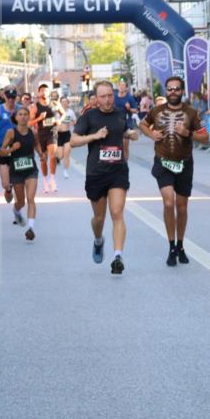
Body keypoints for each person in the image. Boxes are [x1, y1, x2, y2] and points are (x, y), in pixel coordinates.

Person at [138, 75, 209, 266]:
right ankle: (171, 246)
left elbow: (206, 137)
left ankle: (180, 244)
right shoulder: (156, 110)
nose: (173, 92)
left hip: (184, 163)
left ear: (182, 91)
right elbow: (142, 124)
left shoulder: (192, 113)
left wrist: (188, 134)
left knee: (182, 206)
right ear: (165, 91)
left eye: (177, 89)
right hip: (163, 162)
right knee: (169, 203)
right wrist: (151, 133)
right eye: (169, 89)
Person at [71, 80, 139, 275]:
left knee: (117, 213)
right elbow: (73, 140)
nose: (108, 100)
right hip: (96, 173)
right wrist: (94, 136)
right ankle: (98, 240)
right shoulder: (89, 116)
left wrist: (130, 134)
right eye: (103, 96)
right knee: (99, 218)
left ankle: (118, 256)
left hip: (117, 171)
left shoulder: (120, 114)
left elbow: (123, 130)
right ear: (96, 98)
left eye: (110, 95)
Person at [0, 106, 40, 240]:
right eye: (20, 114)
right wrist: (12, 149)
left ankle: (31, 228)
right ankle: (16, 211)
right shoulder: (11, 132)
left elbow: (37, 144)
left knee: (31, 198)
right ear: (16, 118)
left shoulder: (32, 132)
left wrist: (41, 154)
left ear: (29, 117)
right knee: (21, 202)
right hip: (16, 171)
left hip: (30, 169)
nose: (23, 116)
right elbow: (2, 152)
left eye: (25, 114)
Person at [0, 87, 18, 204]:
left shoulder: (20, 109)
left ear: (16, 97)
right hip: (2, 148)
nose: (11, 100)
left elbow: (28, 126)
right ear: (5, 97)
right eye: (9, 97)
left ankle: (18, 205)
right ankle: (8, 189)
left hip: (18, 148)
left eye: (13, 97)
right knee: (5, 184)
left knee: (18, 180)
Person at [29, 83, 58, 193]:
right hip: (41, 135)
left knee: (53, 155)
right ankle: (45, 182)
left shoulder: (54, 103)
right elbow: (30, 123)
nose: (44, 92)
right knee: (43, 159)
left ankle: (53, 180)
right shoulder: (35, 107)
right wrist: (39, 118)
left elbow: (63, 113)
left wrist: (59, 120)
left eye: (46, 90)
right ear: (39, 92)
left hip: (52, 132)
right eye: (42, 91)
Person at [56, 95, 76, 179]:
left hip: (67, 134)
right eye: (62, 102)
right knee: (60, 156)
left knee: (66, 154)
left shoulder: (70, 112)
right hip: (58, 135)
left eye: (65, 102)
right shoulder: (57, 112)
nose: (64, 103)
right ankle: (57, 158)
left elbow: (74, 121)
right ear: (60, 103)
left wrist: (72, 123)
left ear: (68, 103)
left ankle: (65, 171)